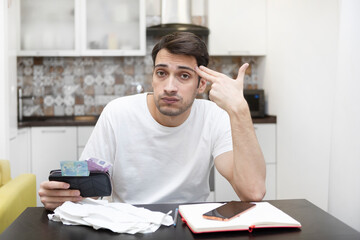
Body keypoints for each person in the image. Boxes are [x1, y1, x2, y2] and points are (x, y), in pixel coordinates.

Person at [39, 32, 266, 210]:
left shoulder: (214, 116)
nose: (169, 86)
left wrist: (239, 110)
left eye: (184, 76)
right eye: (161, 73)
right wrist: (62, 195)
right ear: (153, 76)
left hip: (189, 226)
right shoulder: (117, 112)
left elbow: (252, 192)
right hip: (127, 227)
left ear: (201, 85)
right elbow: (88, 187)